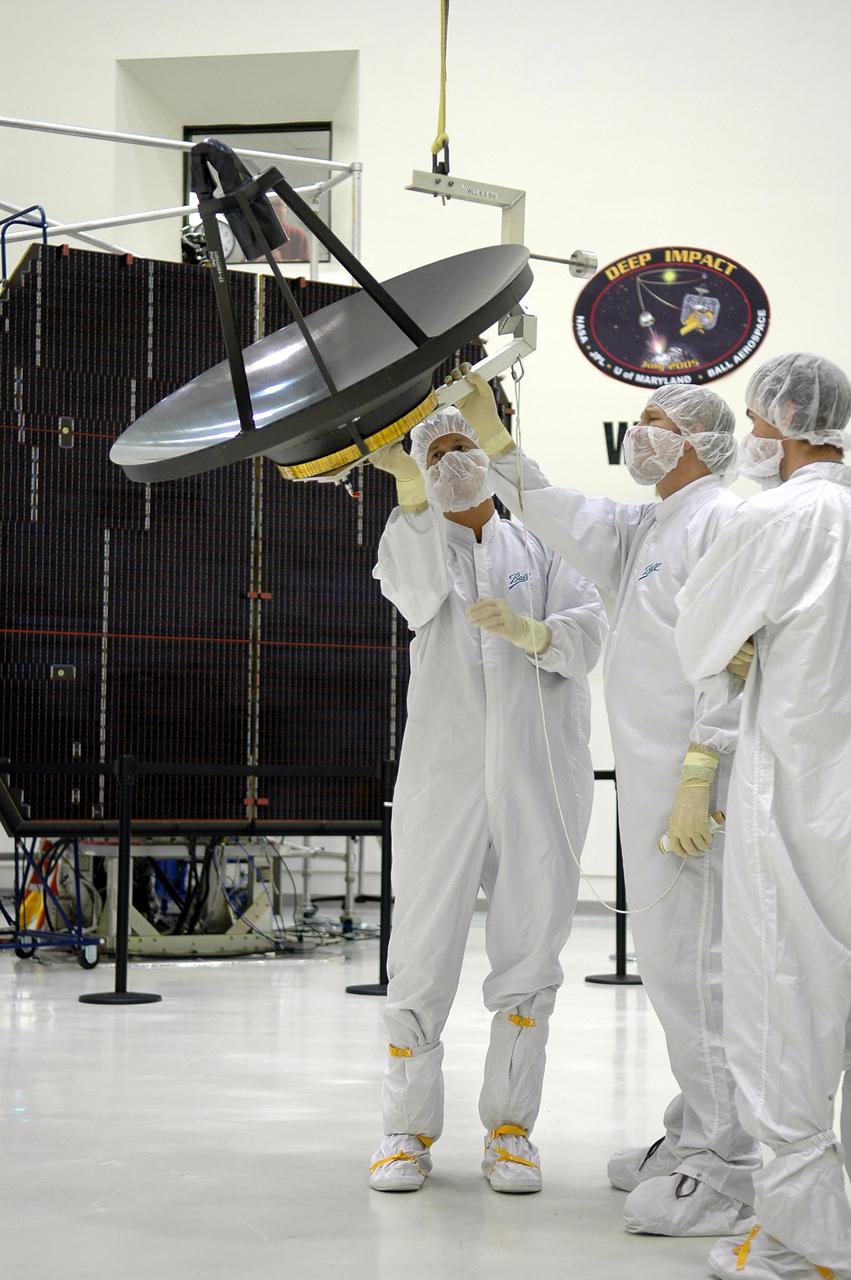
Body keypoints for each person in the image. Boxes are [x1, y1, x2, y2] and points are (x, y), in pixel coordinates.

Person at [450, 368, 761, 1236]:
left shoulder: (722, 522)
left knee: (694, 969)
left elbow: (738, 657)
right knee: (675, 966)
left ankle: (729, 1166)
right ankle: (694, 1131)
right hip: (660, 781)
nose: (639, 434)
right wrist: (502, 450)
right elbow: (571, 516)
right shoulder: (654, 523)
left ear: (697, 441)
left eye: (655, 422)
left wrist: (705, 767)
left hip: (700, 786)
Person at [366, 405, 606, 1194]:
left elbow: (589, 626)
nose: (448, 460)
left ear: (490, 454)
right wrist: (407, 501)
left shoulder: (542, 539)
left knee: (532, 946)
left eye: (460, 444)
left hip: (539, 774)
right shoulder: (413, 539)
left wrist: (537, 634)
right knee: (422, 947)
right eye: (431, 453)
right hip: (446, 777)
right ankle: (404, 1131)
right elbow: (409, 595)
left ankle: (510, 1131)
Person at [675, 352, 851, 1280]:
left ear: (777, 419)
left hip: (797, 794)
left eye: (752, 419)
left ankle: (805, 1240)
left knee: (782, 1002)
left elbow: (700, 633)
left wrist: (737, 638)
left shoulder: (780, 515)